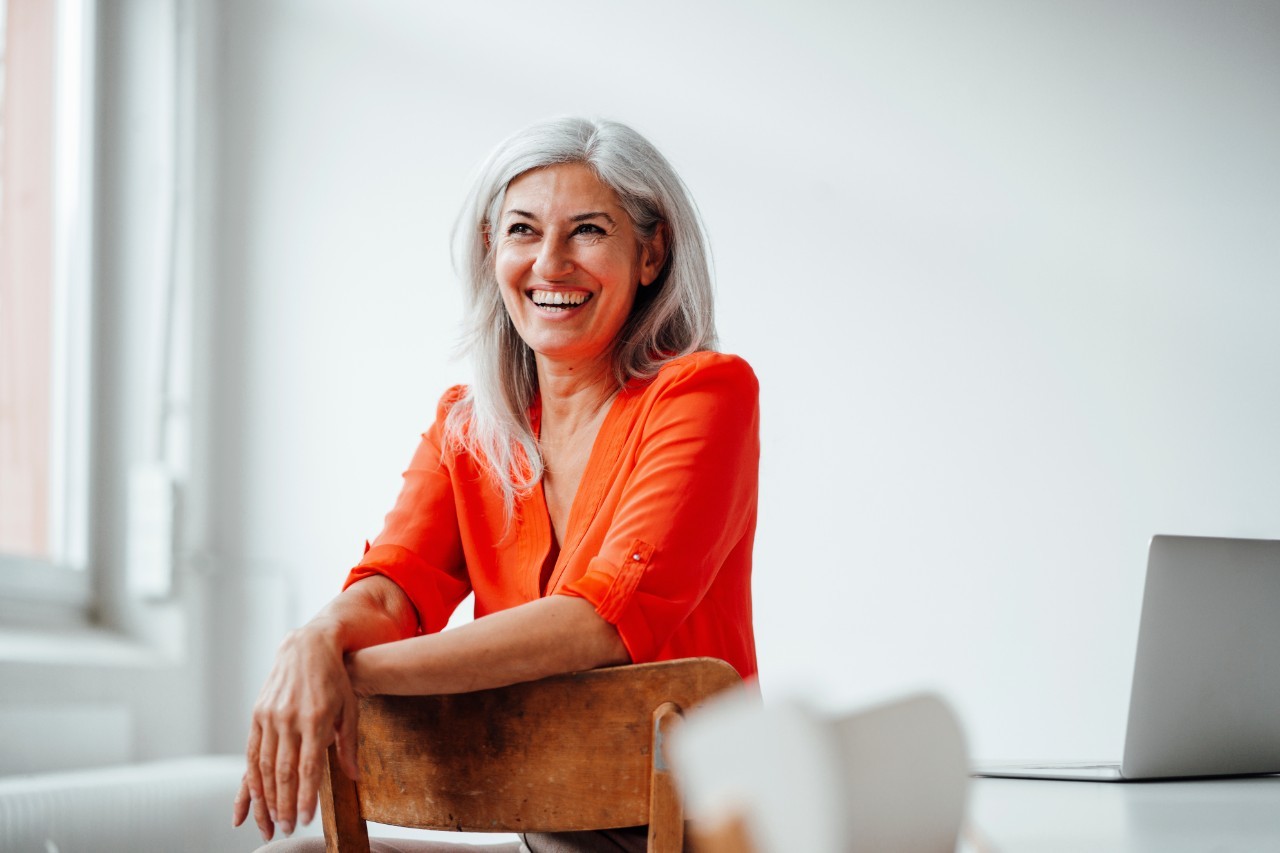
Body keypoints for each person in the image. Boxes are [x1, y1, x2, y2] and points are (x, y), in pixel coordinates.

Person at [233, 116, 760, 853]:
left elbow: (600, 621)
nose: (551, 263)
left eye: (587, 231)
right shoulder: (466, 428)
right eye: (522, 230)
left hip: (698, 832)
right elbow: (391, 591)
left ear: (650, 253)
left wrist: (342, 675)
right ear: (492, 250)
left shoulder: (707, 393)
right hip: (547, 833)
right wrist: (311, 641)